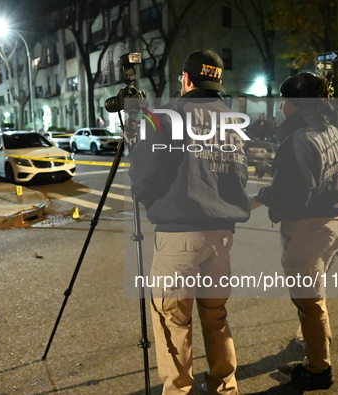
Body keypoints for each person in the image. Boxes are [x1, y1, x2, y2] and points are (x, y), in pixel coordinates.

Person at [130, 49, 250, 394]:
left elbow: (144, 175)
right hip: (222, 235)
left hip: (179, 236)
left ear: (186, 79)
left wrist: (154, 201)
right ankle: (224, 385)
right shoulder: (231, 120)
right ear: (217, 81)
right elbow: (239, 177)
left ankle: (180, 391)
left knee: (173, 322)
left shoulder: (167, 115)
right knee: (216, 316)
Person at [252, 72, 338, 391]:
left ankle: (318, 369)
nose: (281, 106)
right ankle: (308, 343)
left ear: (295, 105)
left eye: (285, 100)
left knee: (309, 303)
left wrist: (259, 198)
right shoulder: (332, 130)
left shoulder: (299, 138)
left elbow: (290, 196)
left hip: (311, 230)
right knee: (316, 296)